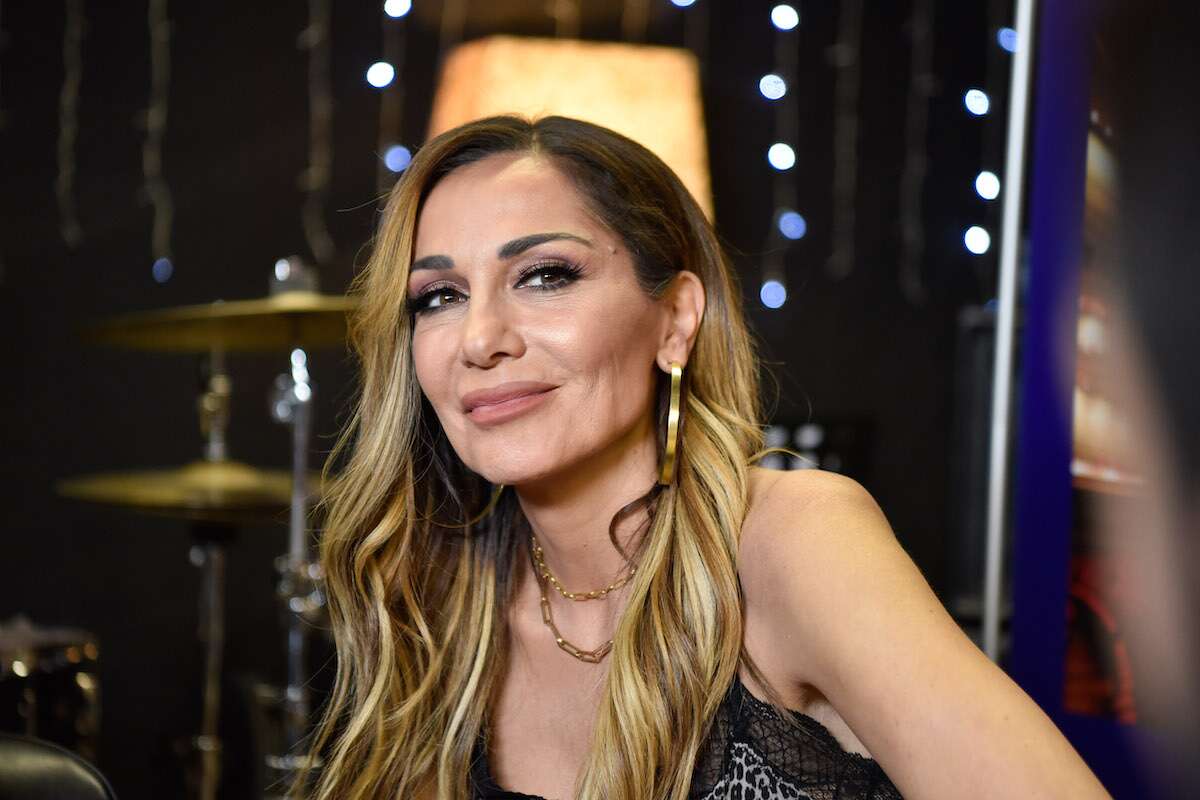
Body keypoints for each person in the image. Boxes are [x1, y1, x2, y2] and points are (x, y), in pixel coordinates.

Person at [297, 115, 1107, 799]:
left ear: (677, 320)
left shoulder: (792, 543)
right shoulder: (432, 596)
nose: (480, 339)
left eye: (544, 276)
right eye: (440, 297)